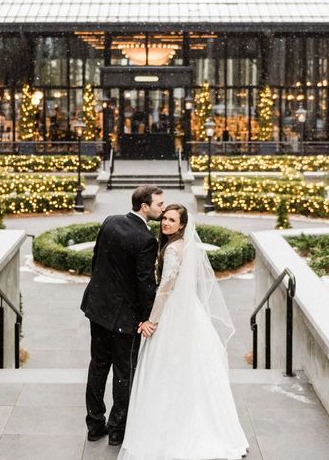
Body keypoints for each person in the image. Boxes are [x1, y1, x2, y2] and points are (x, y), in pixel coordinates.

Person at [118, 204, 249, 460]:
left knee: (167, 369)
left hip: (171, 315)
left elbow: (165, 288)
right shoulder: (183, 246)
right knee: (189, 369)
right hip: (188, 311)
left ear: (182, 226)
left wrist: (151, 320)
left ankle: (170, 431)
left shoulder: (172, 250)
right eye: (164, 218)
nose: (165, 223)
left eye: (172, 220)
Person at [81, 185, 165, 446]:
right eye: (159, 205)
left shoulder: (111, 221)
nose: (162, 209)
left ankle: (94, 425)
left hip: (98, 308)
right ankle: (117, 430)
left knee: (98, 366)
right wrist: (147, 317)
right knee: (123, 372)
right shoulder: (146, 240)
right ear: (144, 207)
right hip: (124, 319)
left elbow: (97, 261)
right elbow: (145, 284)